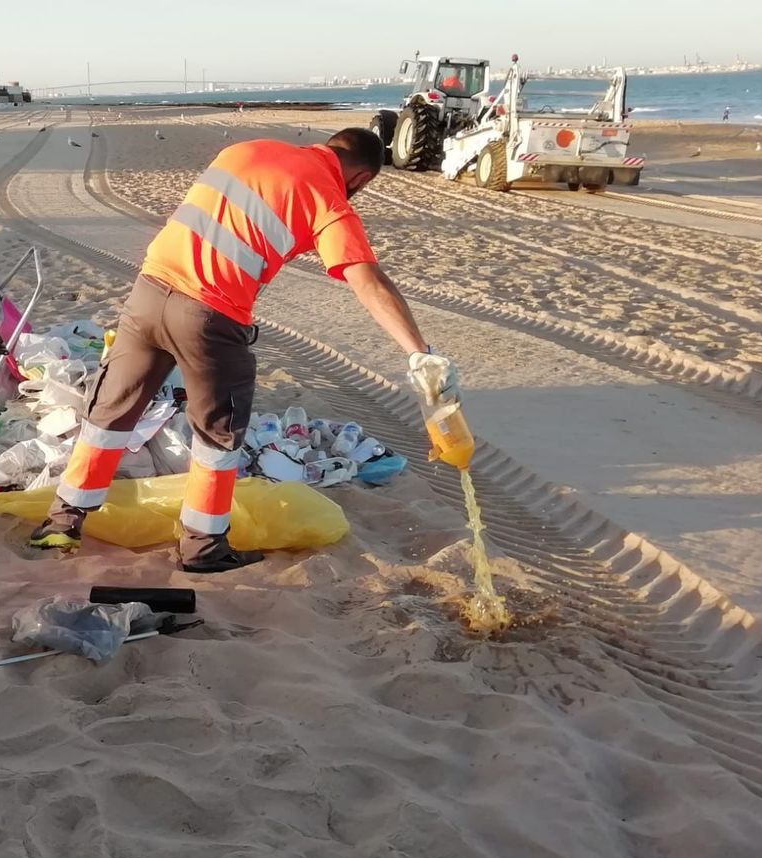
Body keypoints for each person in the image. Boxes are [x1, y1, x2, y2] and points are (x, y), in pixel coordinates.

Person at [29, 128, 461, 573]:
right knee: (218, 435)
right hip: (210, 316)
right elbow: (366, 280)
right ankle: (202, 549)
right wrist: (419, 352)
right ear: (362, 177)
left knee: (110, 414)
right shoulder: (330, 200)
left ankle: (61, 523)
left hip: (146, 293)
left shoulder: (246, 150)